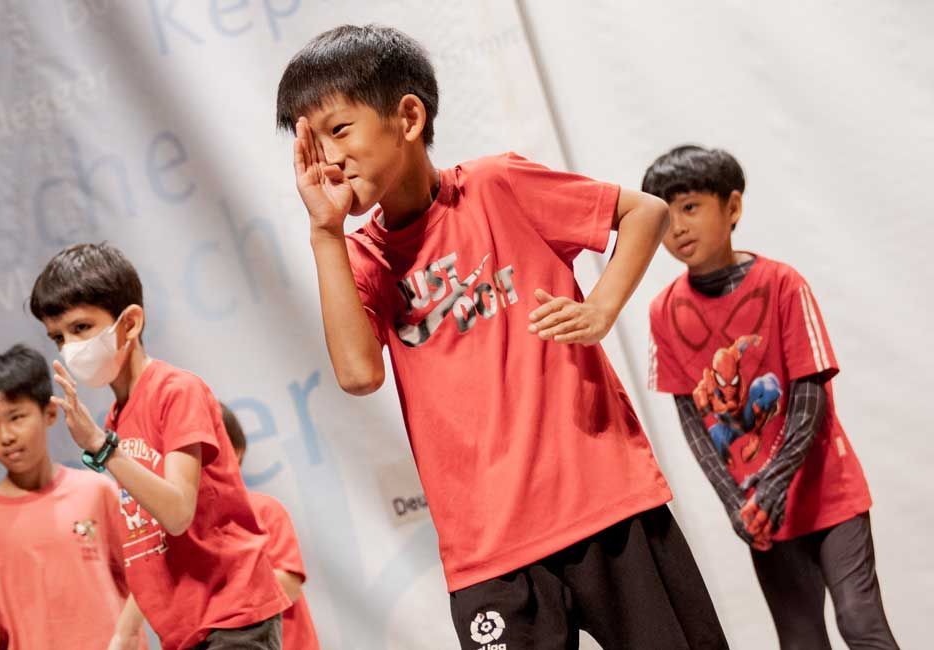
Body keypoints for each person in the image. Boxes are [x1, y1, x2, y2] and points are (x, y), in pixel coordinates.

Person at [276, 24, 727, 649]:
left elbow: (643, 212)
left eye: (339, 130)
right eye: (310, 142)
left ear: (407, 117)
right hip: (489, 554)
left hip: (606, 504)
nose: (328, 158)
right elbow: (357, 373)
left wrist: (601, 308)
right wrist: (324, 233)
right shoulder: (362, 259)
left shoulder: (495, 186)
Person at [645, 144, 898, 649]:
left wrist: (773, 487)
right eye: (664, 214)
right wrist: (738, 504)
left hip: (828, 496)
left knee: (859, 623)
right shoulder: (663, 311)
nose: (677, 227)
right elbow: (693, 422)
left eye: (690, 207)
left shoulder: (783, 284)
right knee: (799, 639)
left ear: (732, 207)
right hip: (760, 512)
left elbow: (811, 397)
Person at [29, 243, 289, 650]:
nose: (69, 348)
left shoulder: (175, 391)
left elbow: (177, 513)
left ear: (130, 323)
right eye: (57, 337)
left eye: (80, 329)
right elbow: (149, 542)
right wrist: (125, 630)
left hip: (232, 617)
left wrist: (102, 448)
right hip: (185, 630)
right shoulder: (116, 418)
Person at [0, 344, 145, 650]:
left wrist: (126, 635)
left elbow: (144, 577)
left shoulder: (96, 491)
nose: (6, 436)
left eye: (16, 417)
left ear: (50, 413)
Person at [220, 402, 321, 650]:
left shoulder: (264, 510)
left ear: (237, 452)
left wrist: (219, 588)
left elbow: (289, 584)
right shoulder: (182, 528)